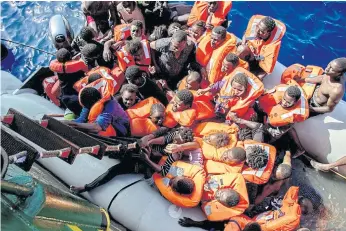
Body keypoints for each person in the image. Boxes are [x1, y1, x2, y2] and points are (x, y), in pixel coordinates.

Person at [230, 85, 307, 157]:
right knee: (253, 103)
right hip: (266, 116)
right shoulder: (281, 93)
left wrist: (242, 121)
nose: (284, 103)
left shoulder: (290, 116)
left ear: (295, 102)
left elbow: (269, 124)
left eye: (288, 102)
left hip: (272, 130)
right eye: (284, 99)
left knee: (258, 130)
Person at [48, 48, 88, 116]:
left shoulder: (58, 69)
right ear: (70, 57)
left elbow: (64, 66)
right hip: (79, 92)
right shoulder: (78, 65)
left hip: (66, 96)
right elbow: (86, 70)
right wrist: (74, 60)